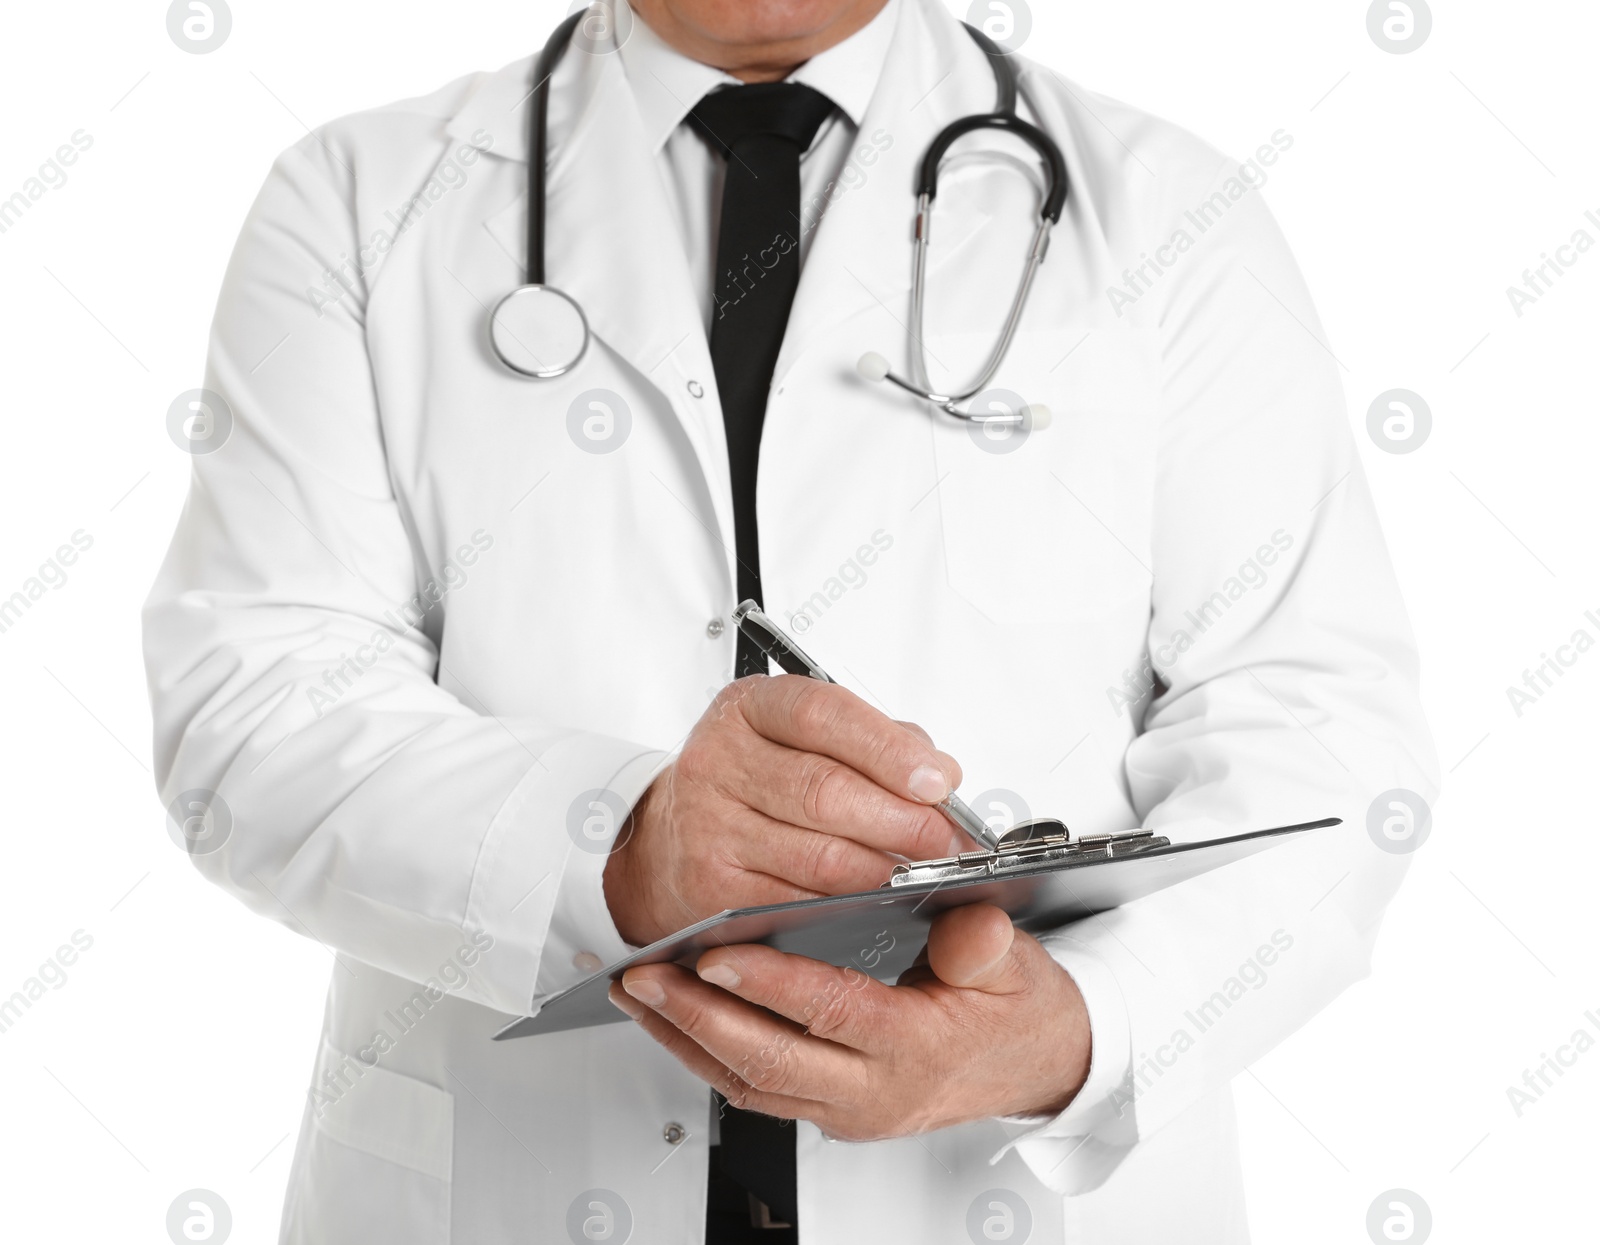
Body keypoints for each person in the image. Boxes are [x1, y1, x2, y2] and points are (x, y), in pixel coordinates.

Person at [142, 0, 1438, 1240]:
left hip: (1004, 1186)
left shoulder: (1173, 213)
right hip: (512, 1184)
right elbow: (251, 714)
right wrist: (614, 844)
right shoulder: (359, 203)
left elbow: (1321, 725)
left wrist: (1076, 1027)